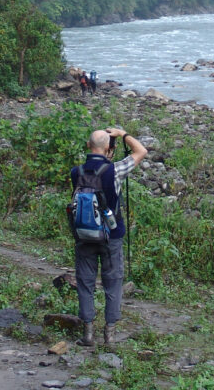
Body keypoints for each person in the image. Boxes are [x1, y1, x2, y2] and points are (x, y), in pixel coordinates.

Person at [71, 126, 147, 347]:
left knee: (85, 282)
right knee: (112, 283)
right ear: (108, 149)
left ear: (88, 146)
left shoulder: (76, 172)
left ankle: (87, 334)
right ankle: (110, 335)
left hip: (84, 235)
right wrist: (123, 134)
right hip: (111, 235)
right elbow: (141, 151)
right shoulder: (114, 170)